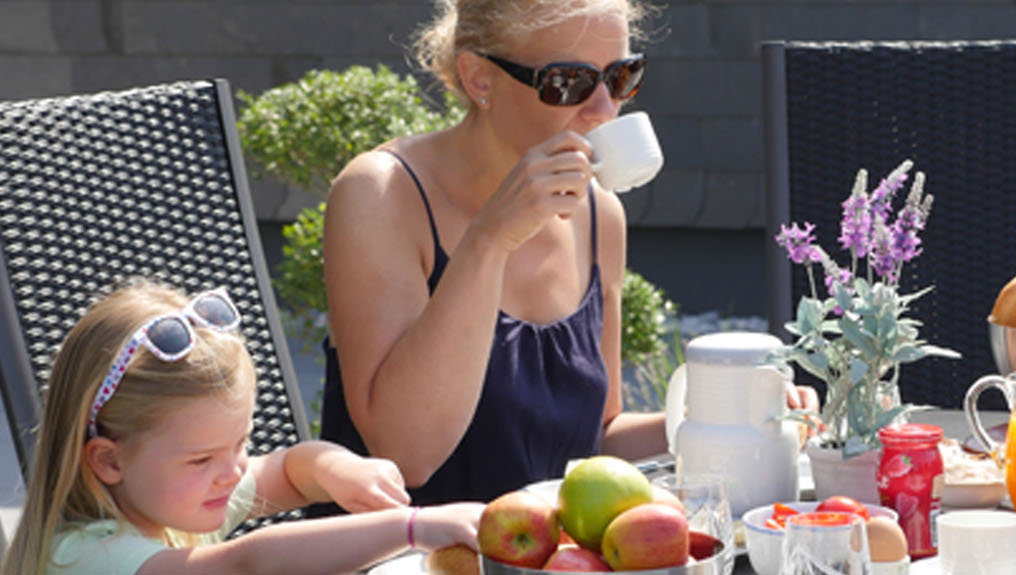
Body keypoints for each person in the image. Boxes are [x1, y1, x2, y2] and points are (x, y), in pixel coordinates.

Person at [318, 0, 818, 507]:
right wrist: (489, 241)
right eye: (569, 81)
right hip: (409, 543)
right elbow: (407, 456)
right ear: (479, 78)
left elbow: (598, 435)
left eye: (621, 76)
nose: (603, 108)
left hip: (550, 543)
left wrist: (729, 419)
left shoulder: (599, 215)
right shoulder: (382, 194)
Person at [0, 280, 486, 575]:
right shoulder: (85, 556)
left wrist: (339, 470)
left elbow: (291, 469)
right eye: (202, 458)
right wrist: (411, 526)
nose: (234, 470)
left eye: (241, 443)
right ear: (109, 461)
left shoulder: (174, 499)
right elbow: (248, 563)